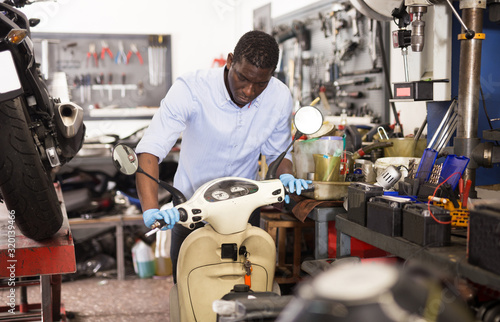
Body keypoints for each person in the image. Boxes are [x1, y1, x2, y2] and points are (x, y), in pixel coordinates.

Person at [135, 30, 309, 282]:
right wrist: (151, 210)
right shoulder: (191, 89)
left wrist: (287, 176)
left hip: (244, 211)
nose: (249, 91)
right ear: (230, 61)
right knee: (189, 295)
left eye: (261, 83)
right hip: (190, 211)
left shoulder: (279, 96)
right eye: (243, 78)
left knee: (246, 292)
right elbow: (150, 149)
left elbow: (277, 153)